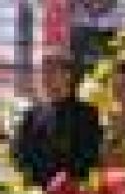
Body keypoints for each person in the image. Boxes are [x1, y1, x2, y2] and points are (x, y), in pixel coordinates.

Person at [14, 56, 103, 187]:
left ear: (68, 76)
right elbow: (20, 155)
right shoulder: (32, 115)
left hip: (72, 193)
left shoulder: (87, 114)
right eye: (43, 73)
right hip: (38, 193)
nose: (45, 78)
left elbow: (89, 157)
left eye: (51, 72)